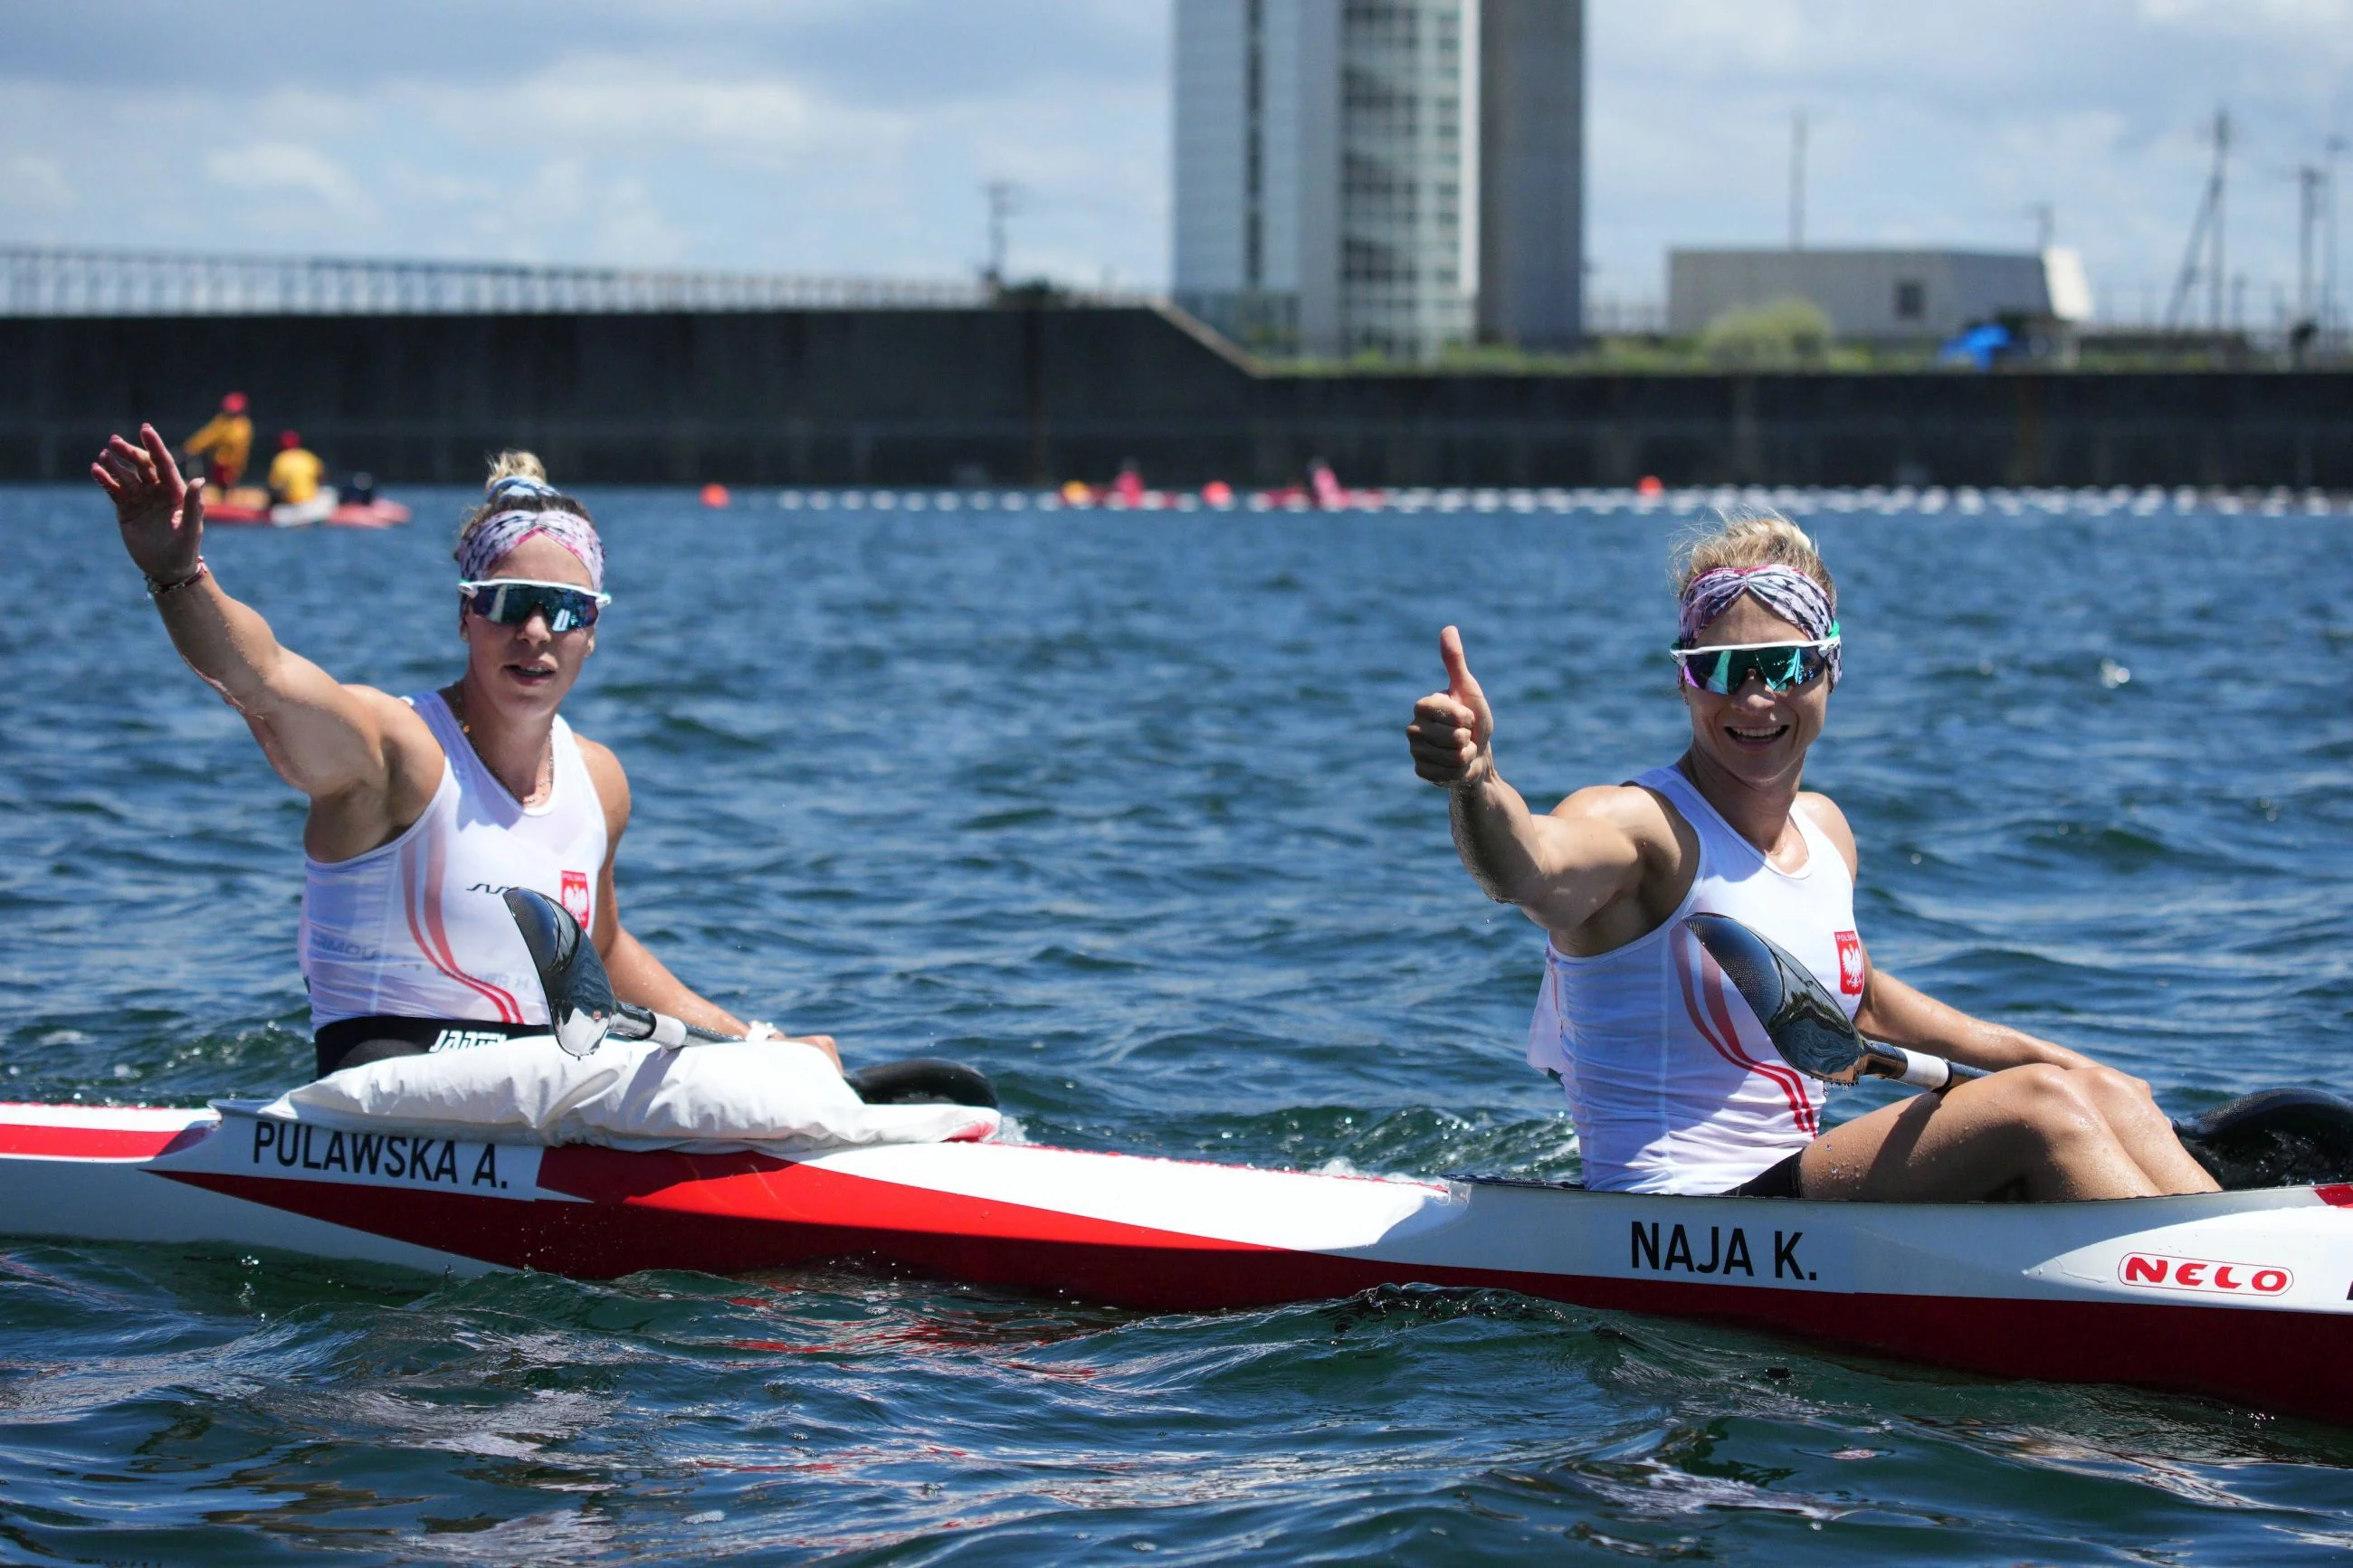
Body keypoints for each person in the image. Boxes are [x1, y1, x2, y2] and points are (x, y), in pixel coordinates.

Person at [1405, 509, 2218, 1203]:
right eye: (1723, 670)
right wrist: (1475, 779)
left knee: (2094, 1092)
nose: (1757, 696)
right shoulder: (1642, 827)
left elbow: (1856, 1007)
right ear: (1686, 684)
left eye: (1788, 666)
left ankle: (2266, 1269)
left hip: (1792, 1203)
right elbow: (1527, 866)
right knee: (2040, 1108)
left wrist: (2078, 1063)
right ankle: (2215, 1310)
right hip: (1679, 1210)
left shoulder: (1826, 833)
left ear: (1830, 670)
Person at [91, 426, 839, 1079]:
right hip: (382, 1101)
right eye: (511, 603)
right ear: (466, 614)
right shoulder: (394, 752)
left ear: (593, 630)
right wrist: (176, 574)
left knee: (777, 1080)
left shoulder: (600, 781)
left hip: (545, 1097)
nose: (537, 632)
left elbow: (602, 955)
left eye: (568, 610)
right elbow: (267, 681)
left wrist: (761, 1045)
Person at [185, 393, 253, 492]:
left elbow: (238, 449)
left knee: (226, 488)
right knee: (218, 488)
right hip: (219, 464)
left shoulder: (242, 426)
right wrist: (192, 446)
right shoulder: (222, 421)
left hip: (231, 466)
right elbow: (208, 435)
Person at [266, 431, 326, 506]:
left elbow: (274, 486)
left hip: (293, 504)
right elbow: (321, 477)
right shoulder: (308, 456)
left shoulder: (281, 459)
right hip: (312, 502)